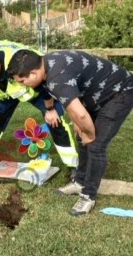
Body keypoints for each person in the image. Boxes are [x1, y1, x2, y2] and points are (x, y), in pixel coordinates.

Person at [7, 49, 133, 216]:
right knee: (81, 137)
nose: (22, 84)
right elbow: (71, 103)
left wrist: (90, 135)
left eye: (22, 80)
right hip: (96, 93)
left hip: (119, 93)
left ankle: (88, 196)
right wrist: (79, 126)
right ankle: (80, 182)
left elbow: (80, 113)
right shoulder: (46, 65)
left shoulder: (57, 78)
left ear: (34, 73)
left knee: (96, 146)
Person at [0, 40, 78, 171]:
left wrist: (50, 109)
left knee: (55, 121)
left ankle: (73, 165)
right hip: (9, 91)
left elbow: (45, 84)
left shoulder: (19, 63)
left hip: (38, 87)